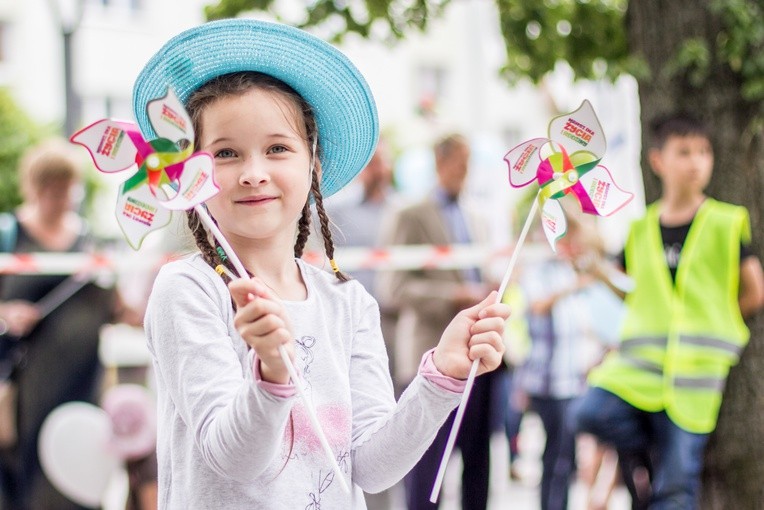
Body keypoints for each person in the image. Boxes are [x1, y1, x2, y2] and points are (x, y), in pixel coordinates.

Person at [135, 19, 510, 509]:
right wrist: (271, 373)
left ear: (313, 161)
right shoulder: (187, 289)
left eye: (277, 148)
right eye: (225, 153)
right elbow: (233, 459)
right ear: (190, 174)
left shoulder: (347, 301)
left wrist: (441, 376)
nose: (253, 173)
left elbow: (372, 470)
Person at [575, 112, 764, 509]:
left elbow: (753, 291)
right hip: (640, 376)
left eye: (704, 151)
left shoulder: (726, 222)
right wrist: (594, 268)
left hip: (695, 379)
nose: (696, 161)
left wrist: (720, 321)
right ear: (658, 160)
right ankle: (649, 455)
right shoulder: (641, 228)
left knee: (676, 491)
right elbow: (632, 291)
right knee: (589, 413)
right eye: (684, 152)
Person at [376, 133, 499, 510]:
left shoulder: (477, 217)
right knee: (427, 463)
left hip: (479, 357)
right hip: (429, 354)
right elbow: (393, 287)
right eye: (460, 162)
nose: (465, 171)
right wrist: (454, 298)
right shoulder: (409, 215)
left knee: (478, 460)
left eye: (469, 163)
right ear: (441, 163)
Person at [0, 139, 119, 509]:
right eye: (54, 190)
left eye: (70, 190)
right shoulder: (9, 234)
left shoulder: (88, 240)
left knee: (79, 478)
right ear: (35, 188)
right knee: (26, 484)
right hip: (25, 388)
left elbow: (113, 306)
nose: (64, 199)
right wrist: (5, 312)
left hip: (83, 383)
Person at [514, 207, 624, 510]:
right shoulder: (542, 270)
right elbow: (538, 305)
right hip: (548, 380)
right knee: (557, 458)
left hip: (571, 378)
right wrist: (574, 285)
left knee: (564, 458)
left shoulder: (573, 270)